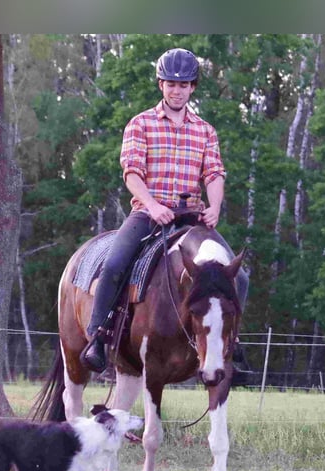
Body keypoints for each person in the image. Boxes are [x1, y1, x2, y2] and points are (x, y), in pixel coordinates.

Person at [81, 47, 248, 373]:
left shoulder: (205, 130)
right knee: (115, 264)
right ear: (161, 84)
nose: (177, 90)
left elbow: (214, 174)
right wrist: (154, 205)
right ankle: (97, 336)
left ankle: (233, 343)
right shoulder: (140, 124)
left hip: (191, 217)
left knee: (238, 276)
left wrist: (214, 207)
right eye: (171, 83)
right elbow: (132, 173)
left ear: (192, 88)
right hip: (148, 213)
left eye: (184, 85)